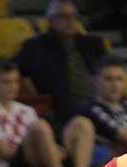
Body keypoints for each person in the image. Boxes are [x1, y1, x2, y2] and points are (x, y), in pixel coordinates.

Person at [0, 56, 95, 167]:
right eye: (6, 82)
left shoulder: (27, 110)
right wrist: (49, 150)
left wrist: (52, 149)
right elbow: (5, 153)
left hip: (36, 162)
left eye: (16, 81)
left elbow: (42, 140)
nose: (13, 87)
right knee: (41, 127)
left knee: (82, 123)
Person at [13, 0, 109, 131]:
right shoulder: (35, 48)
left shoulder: (93, 44)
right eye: (63, 16)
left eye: (73, 16)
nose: (70, 20)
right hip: (63, 113)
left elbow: (110, 71)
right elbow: (10, 69)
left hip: (101, 106)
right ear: (50, 20)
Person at [81, 53, 127, 162]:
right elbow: (124, 136)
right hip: (119, 163)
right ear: (96, 80)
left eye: (119, 79)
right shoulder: (92, 109)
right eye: (108, 79)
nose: (115, 84)